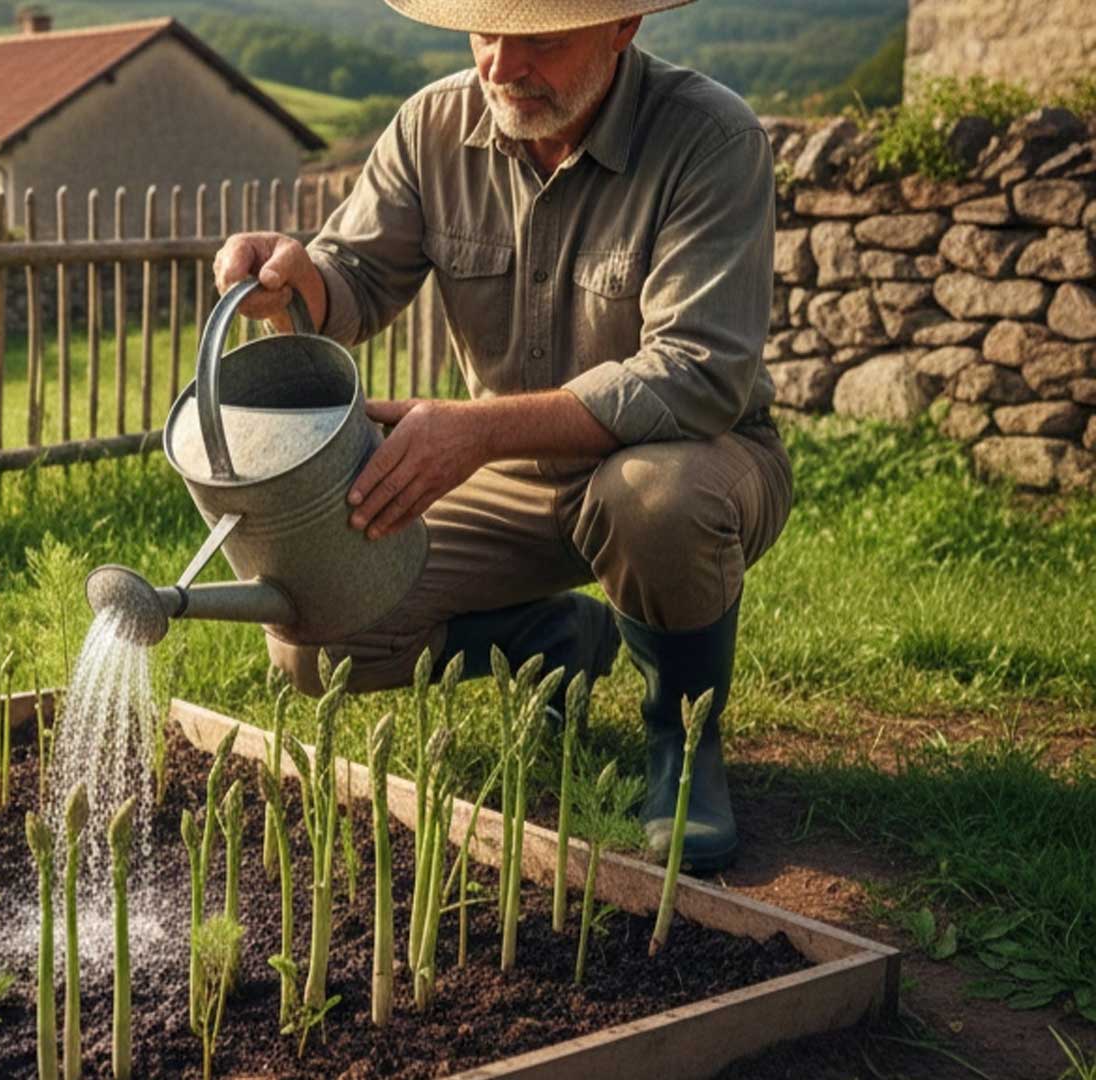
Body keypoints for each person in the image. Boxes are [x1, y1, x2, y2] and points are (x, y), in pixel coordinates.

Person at [212, 0, 791, 872]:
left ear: (623, 27)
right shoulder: (433, 126)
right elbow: (355, 279)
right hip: (513, 468)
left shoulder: (712, 140)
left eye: (541, 42)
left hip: (698, 457)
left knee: (653, 501)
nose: (501, 67)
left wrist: (474, 433)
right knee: (313, 632)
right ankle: (555, 642)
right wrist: (295, 284)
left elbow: (699, 373)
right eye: (486, 34)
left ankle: (682, 742)